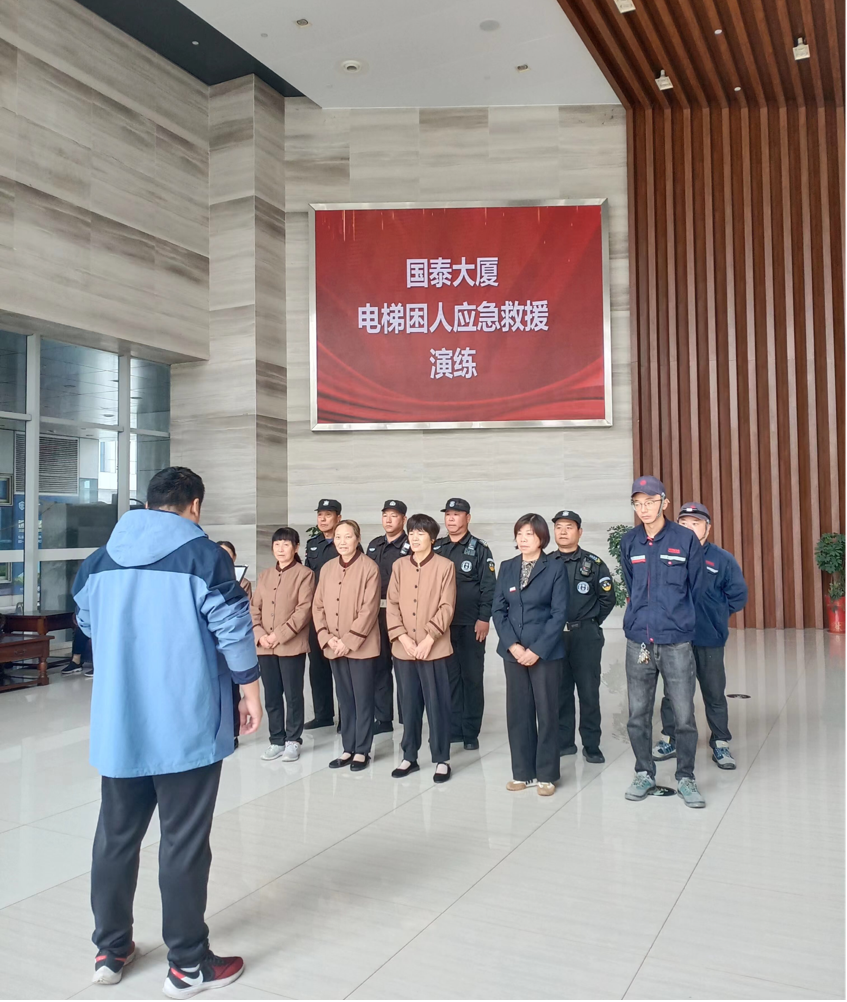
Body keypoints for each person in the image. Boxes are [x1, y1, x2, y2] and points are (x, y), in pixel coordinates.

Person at [72, 466, 262, 997]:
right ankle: (188, 964)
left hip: (121, 723)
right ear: (194, 506)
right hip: (185, 724)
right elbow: (232, 627)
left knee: (115, 837)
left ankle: (110, 951)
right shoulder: (205, 557)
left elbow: (85, 621)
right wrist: (249, 690)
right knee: (183, 841)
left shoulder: (100, 559)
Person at [620, 476, 706, 808]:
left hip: (676, 641)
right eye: (638, 503)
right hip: (639, 640)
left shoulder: (685, 539)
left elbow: (696, 587)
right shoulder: (630, 542)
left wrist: (678, 619)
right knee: (638, 715)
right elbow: (632, 583)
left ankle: (686, 777)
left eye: (650, 502)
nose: (643, 509)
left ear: (664, 503)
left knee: (683, 715)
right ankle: (644, 772)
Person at [653, 502, 748, 770]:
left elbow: (738, 595)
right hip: (675, 638)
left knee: (714, 692)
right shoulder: (669, 556)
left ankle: (720, 742)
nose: (689, 528)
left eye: (695, 523)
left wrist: (717, 614)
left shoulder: (722, 559)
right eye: (683, 524)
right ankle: (670, 738)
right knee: (672, 693)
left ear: (708, 527)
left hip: (708, 639)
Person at [492, 514, 568, 797]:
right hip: (513, 652)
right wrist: (512, 645)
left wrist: (536, 650)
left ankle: (546, 774)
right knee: (518, 712)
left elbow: (559, 613)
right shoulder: (507, 566)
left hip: (544, 652)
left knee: (546, 712)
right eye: (520, 534)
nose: (523, 539)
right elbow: (498, 610)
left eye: (529, 534)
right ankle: (522, 773)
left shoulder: (555, 567)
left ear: (541, 538)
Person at [386, 513, 456, 783]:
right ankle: (409, 756)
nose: (415, 538)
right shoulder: (399, 566)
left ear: (433, 538)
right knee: (409, 705)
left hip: (434, 649)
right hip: (404, 650)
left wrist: (428, 639)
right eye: (412, 532)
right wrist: (403, 638)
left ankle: (441, 758)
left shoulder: (445, 566)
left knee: (437, 705)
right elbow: (392, 605)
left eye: (421, 533)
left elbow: (447, 606)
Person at [314, 520, 382, 771]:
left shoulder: (369, 568)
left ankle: (362, 750)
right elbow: (318, 606)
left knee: (362, 698)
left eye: (348, 537)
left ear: (358, 538)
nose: (342, 542)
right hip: (333, 645)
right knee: (344, 698)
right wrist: (327, 637)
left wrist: (348, 641)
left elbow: (369, 609)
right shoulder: (327, 568)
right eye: (338, 537)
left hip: (360, 646)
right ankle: (347, 748)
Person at [550, 510, 616, 764]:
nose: (563, 531)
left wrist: (591, 622)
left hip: (585, 636)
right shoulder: (546, 563)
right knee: (560, 691)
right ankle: (564, 742)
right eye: (559, 527)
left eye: (569, 527)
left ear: (579, 532)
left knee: (588, 692)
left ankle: (591, 745)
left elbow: (607, 599)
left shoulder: (594, 563)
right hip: (555, 636)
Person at [434, 498, 496, 751]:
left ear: (467, 518)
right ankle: (453, 728)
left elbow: (489, 587)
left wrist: (484, 618)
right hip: (443, 626)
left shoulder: (480, 549)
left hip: (471, 625)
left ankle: (470, 732)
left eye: (456, 514)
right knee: (449, 678)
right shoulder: (437, 547)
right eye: (448, 514)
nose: (451, 519)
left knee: (471, 678)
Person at [251, 528, 315, 762]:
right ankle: (276, 740)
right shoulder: (265, 575)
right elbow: (254, 608)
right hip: (264, 646)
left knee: (293, 694)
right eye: (277, 544)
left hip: (290, 645)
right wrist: (260, 634)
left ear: (296, 547)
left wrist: (278, 635)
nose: (280, 549)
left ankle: (293, 740)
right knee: (272, 695)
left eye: (286, 544)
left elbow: (304, 609)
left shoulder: (305, 574)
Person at [367, 500, 411, 733]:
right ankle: (383, 719)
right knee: (379, 666)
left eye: (394, 516)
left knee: (404, 669)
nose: (388, 520)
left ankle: (407, 719)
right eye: (385, 515)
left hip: (401, 614)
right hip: (376, 613)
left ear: (404, 519)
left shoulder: (411, 545)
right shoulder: (374, 545)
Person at [304, 499, 342, 728]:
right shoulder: (313, 544)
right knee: (317, 665)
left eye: (328, 514)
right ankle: (323, 715)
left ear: (338, 518)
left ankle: (346, 717)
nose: (323, 519)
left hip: (339, 611)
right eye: (320, 515)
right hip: (316, 612)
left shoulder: (345, 542)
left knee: (340, 665)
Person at [217, 541, 252, 748]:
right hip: (212, 646)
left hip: (231, 643)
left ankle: (233, 732)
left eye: (228, 555)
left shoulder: (242, 582)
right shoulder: (206, 579)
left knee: (232, 689)